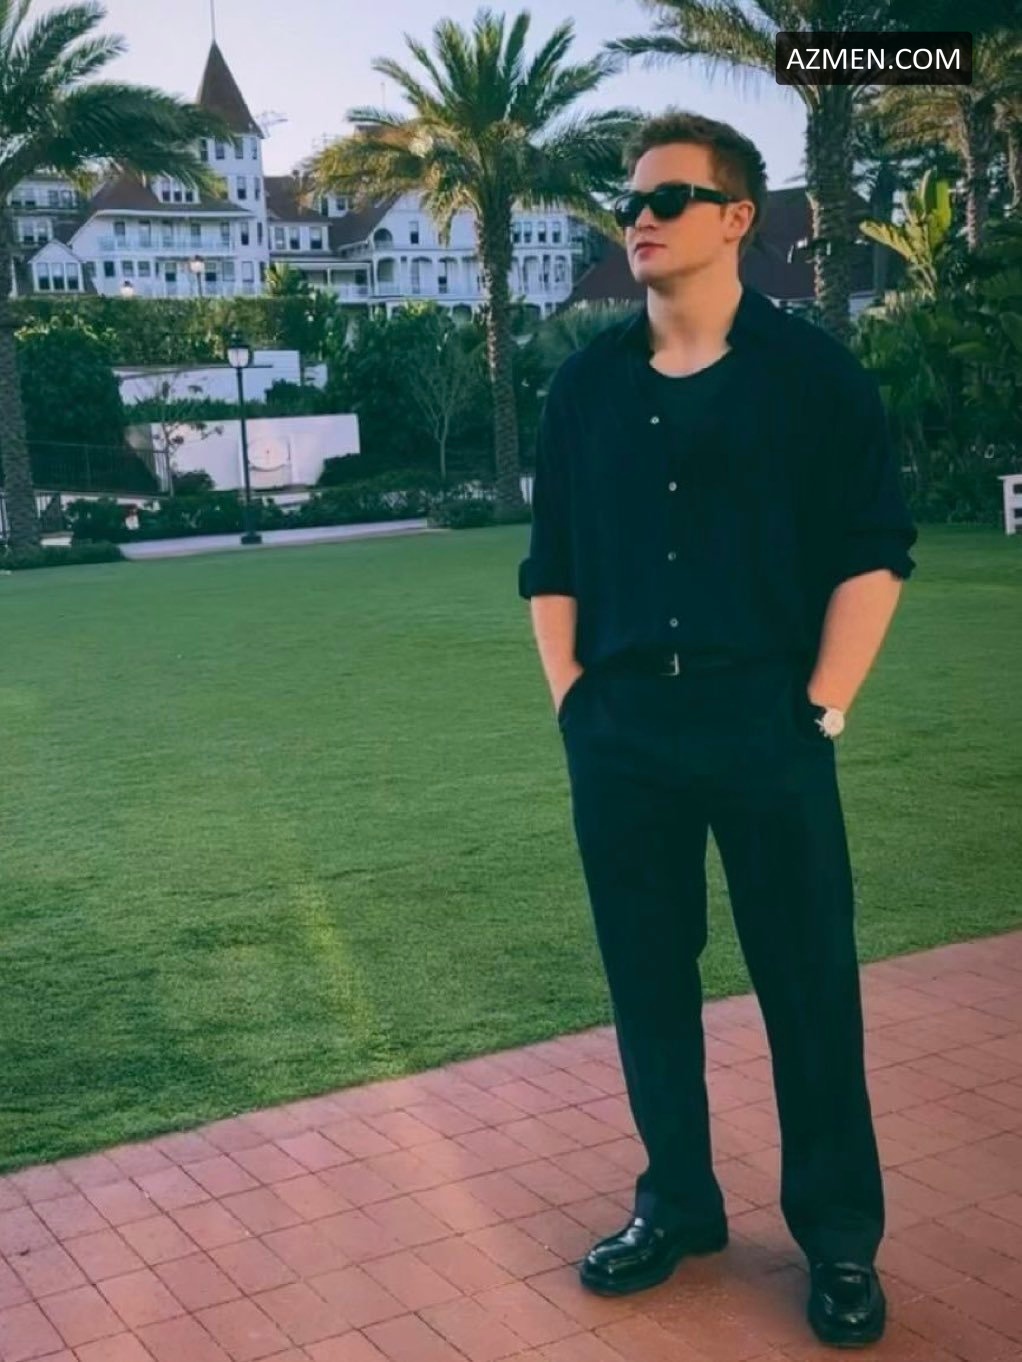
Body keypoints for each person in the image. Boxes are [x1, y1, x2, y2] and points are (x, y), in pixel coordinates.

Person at [517, 110, 918, 1350]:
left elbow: (872, 552)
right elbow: (550, 566)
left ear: (737, 217)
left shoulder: (811, 377)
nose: (638, 218)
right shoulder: (584, 389)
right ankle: (676, 1205)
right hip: (622, 732)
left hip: (765, 723)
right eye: (629, 202)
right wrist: (575, 707)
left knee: (808, 983)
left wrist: (820, 706)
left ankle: (837, 1239)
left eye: (668, 198)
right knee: (646, 983)